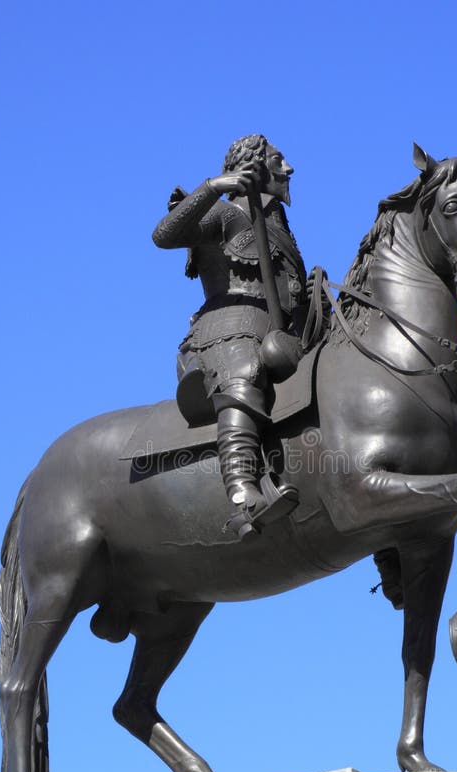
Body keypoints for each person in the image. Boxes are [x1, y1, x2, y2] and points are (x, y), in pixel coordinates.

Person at [152, 134, 309, 538]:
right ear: (253, 167)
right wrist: (212, 187)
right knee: (246, 370)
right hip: (228, 329)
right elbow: (164, 235)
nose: (288, 168)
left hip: (281, 334)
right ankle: (243, 494)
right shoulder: (224, 215)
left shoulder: (280, 229)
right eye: (278, 161)